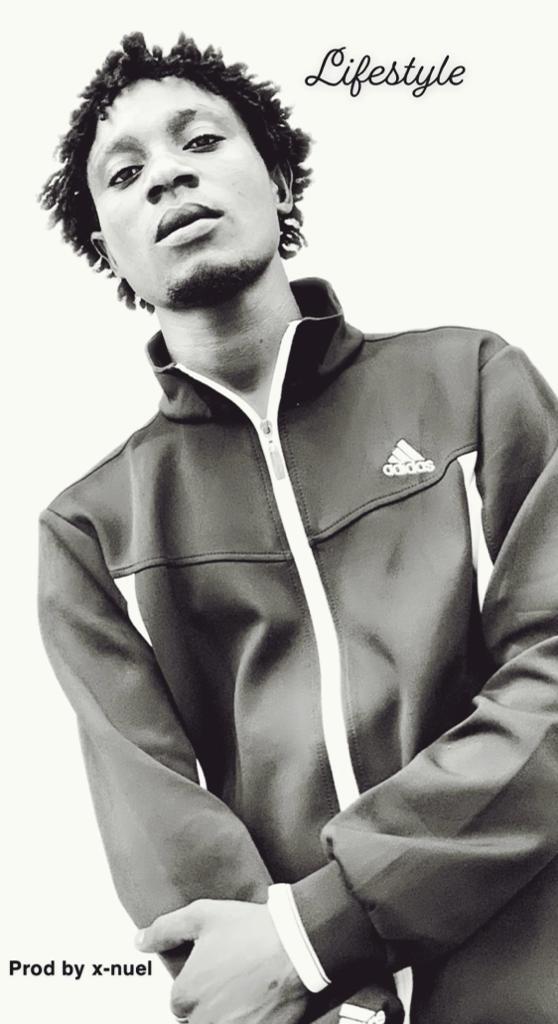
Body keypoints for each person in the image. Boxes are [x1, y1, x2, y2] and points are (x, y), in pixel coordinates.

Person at [37, 31, 558, 1024]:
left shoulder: (475, 385)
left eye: (201, 140)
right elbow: (164, 835)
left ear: (278, 179)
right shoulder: (89, 535)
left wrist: (321, 931)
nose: (168, 176)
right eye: (126, 173)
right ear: (108, 248)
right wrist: (307, 979)